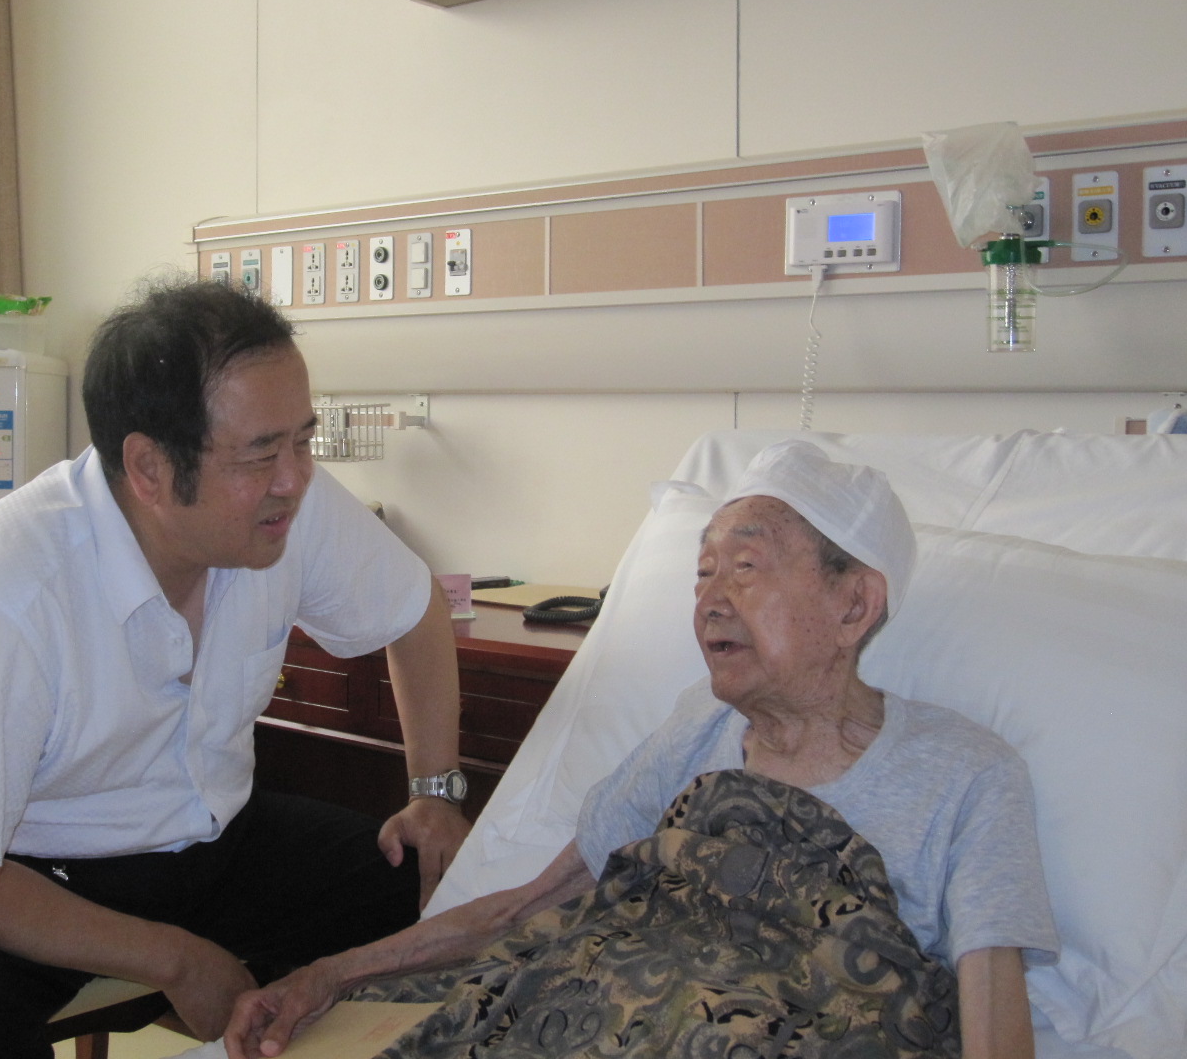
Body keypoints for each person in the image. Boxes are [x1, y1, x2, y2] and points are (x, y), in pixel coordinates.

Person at [226, 440, 1059, 1059]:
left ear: (854, 605)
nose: (710, 600)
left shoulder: (966, 774)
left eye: (746, 566)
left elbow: (991, 1008)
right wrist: (328, 974)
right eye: (702, 572)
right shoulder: (697, 726)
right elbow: (533, 906)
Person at [0, 278, 472, 1058]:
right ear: (149, 467)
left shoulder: (288, 508)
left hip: (212, 842)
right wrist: (174, 958)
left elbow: (415, 610)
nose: (293, 478)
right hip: (21, 868)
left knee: (451, 897)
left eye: (302, 441)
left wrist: (433, 793)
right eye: (260, 453)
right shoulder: (6, 593)